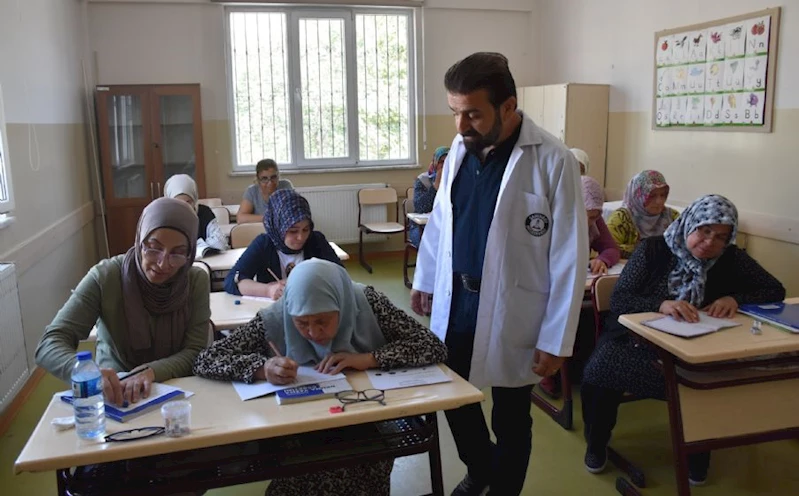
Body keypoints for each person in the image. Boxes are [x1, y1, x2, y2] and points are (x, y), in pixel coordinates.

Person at [411, 52, 588, 496]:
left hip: (517, 306)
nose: (461, 125)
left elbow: (569, 255)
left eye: (472, 113)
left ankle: (504, 488)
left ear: (508, 106)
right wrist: (426, 278)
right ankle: (482, 469)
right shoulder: (459, 151)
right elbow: (442, 221)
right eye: (455, 112)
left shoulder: (553, 160)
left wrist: (556, 338)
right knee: (453, 396)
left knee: (510, 415)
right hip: (458, 301)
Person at [194, 259, 448, 496]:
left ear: (341, 305)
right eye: (302, 323)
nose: (313, 333)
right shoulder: (276, 316)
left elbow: (432, 345)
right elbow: (206, 359)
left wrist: (368, 358)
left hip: (367, 422)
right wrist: (263, 368)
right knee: (310, 469)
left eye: (322, 321)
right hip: (298, 428)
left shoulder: (366, 303)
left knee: (362, 465)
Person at [580, 194, 785, 486]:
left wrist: (734, 299)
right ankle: (597, 442)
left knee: (708, 379)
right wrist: (661, 304)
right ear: (690, 223)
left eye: (721, 237)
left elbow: (774, 290)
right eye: (705, 230)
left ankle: (697, 452)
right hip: (635, 342)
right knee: (600, 370)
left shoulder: (730, 258)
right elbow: (621, 299)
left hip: (698, 346)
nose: (710, 242)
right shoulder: (653, 250)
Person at [35, 198, 211, 406]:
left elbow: (195, 351)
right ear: (139, 240)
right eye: (153, 248)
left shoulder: (195, 281)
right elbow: (50, 343)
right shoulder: (105, 277)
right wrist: (88, 372)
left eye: (177, 253)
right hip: (115, 394)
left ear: (190, 253)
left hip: (177, 393)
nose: (163, 263)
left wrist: (151, 372)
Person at [538, 175, 620, 398]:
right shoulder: (551, 220)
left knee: (592, 315)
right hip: (548, 288)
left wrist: (602, 259)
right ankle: (549, 373)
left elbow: (611, 249)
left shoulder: (594, 219)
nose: (591, 222)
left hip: (579, 284)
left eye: (595, 216)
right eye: (588, 216)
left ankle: (580, 370)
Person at [224, 189, 341, 299]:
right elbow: (232, 281)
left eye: (306, 229)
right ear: (278, 227)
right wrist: (268, 290)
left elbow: (340, 275)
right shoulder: (264, 244)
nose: (300, 237)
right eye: (293, 231)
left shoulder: (316, 240)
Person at [608, 170, 681, 258]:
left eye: (662, 195)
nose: (659, 201)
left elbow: (684, 245)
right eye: (652, 196)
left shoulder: (672, 216)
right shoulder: (621, 218)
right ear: (637, 195)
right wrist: (647, 249)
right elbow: (609, 248)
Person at [164, 174, 229, 257]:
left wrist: (193, 247)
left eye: (188, 202)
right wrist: (202, 244)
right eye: (178, 203)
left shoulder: (204, 212)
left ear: (194, 200)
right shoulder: (167, 218)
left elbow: (220, 243)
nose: (184, 207)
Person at [410, 146, 449, 246]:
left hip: (446, 226)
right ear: (435, 163)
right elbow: (421, 207)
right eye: (441, 162)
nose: (444, 166)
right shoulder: (423, 180)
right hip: (421, 226)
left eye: (447, 162)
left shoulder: (457, 180)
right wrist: (436, 185)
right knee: (430, 243)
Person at [238, 158, 294, 224]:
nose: (270, 183)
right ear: (258, 179)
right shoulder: (252, 191)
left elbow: (293, 213)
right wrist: (269, 218)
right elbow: (240, 218)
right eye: (264, 178)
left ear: (278, 176)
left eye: (273, 177)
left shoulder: (285, 186)